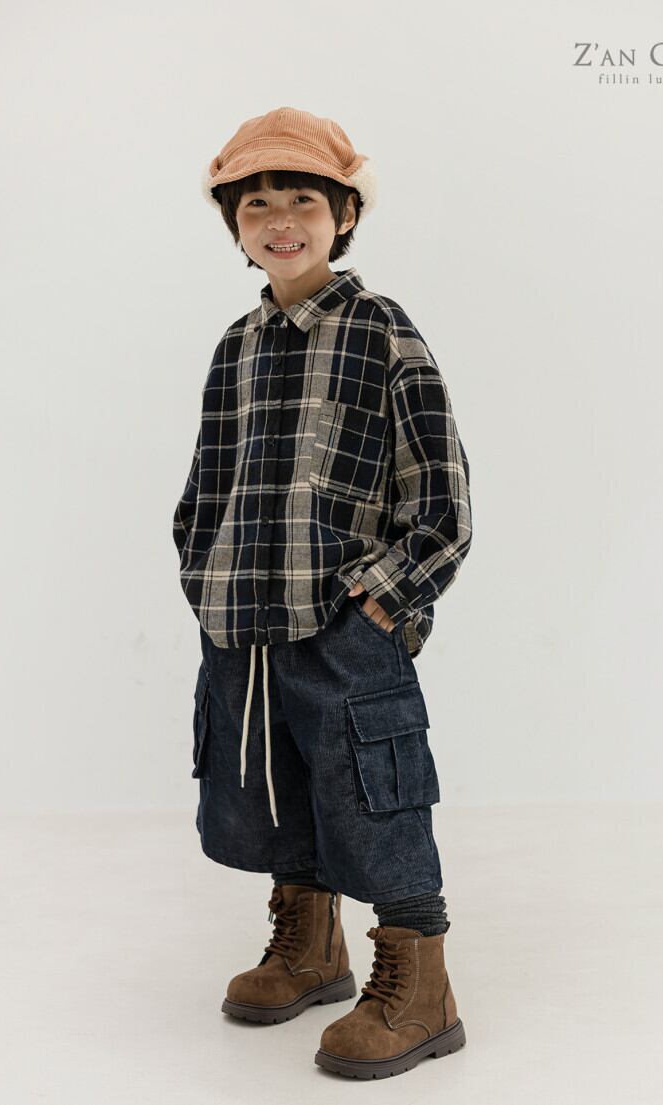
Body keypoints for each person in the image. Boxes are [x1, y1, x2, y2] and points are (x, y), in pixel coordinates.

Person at [173, 106, 473, 1079]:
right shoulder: (236, 345)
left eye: (301, 199)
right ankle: (308, 945)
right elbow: (205, 485)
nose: (279, 220)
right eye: (255, 204)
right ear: (234, 225)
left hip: (345, 622)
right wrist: (203, 575)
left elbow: (440, 491)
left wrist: (383, 600)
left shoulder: (380, 330)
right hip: (243, 623)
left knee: (372, 792)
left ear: (344, 215)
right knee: (269, 786)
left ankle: (419, 985)